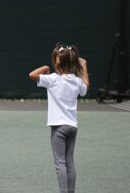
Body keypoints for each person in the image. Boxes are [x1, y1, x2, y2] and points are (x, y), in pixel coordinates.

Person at [29, 43, 89, 193]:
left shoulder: (53, 79)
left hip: (58, 128)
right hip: (72, 127)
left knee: (60, 163)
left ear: (57, 63)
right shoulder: (76, 81)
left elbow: (32, 75)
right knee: (69, 161)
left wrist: (44, 68)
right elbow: (85, 88)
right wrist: (84, 68)